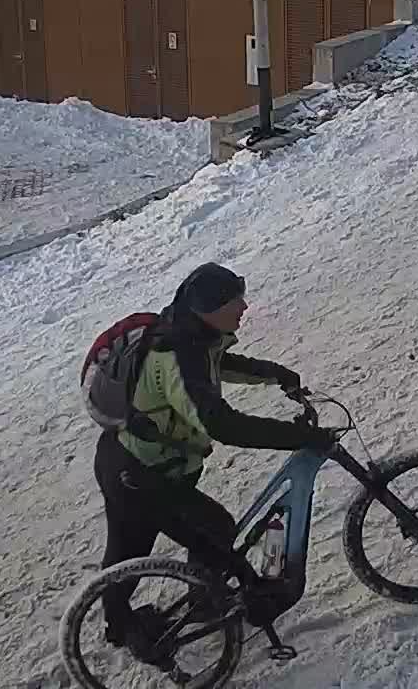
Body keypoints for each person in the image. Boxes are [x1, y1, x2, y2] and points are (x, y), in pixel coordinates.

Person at [93, 262, 331, 658]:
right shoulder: (176, 354)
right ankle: (193, 614)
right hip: (143, 475)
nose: (244, 306)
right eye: (235, 301)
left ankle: (121, 624)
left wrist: (276, 374)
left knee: (128, 549)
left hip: (127, 461)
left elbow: (217, 365)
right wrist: (299, 436)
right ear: (209, 308)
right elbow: (221, 424)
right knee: (213, 529)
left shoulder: (189, 333)